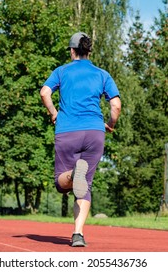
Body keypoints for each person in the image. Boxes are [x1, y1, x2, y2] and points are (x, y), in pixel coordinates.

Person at [40, 31, 121, 247]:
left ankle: (74, 174)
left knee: (61, 183)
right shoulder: (102, 74)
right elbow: (116, 105)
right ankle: (78, 234)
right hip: (95, 132)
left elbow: (44, 93)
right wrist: (110, 125)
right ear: (89, 51)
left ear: (72, 50)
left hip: (67, 131)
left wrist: (53, 113)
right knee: (85, 186)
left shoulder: (61, 71)